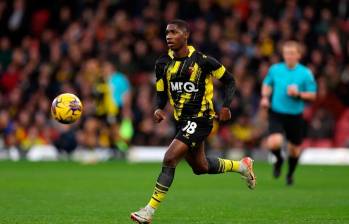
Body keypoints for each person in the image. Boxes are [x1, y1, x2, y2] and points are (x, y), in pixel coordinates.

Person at [131, 19, 256, 224]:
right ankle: (242, 166)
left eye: (174, 32)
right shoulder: (162, 64)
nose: (169, 36)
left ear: (186, 35)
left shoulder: (203, 61)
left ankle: (148, 211)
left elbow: (230, 80)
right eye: (167, 33)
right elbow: (161, 93)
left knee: (170, 158)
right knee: (201, 167)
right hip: (182, 121)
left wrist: (225, 106)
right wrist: (158, 108)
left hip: (202, 119)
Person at [260, 41, 317, 186]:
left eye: (292, 53)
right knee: (274, 142)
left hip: (295, 116)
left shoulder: (305, 73)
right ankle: (279, 160)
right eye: (286, 53)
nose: (289, 56)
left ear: (299, 55)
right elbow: (267, 84)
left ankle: (290, 174)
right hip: (277, 112)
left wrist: (298, 94)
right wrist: (265, 98)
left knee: (294, 151)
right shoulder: (275, 69)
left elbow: (312, 95)